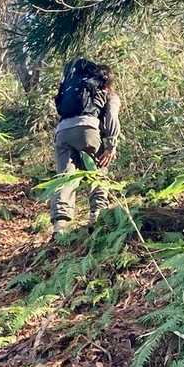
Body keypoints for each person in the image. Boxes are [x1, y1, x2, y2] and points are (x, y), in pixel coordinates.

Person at [49, 58, 120, 236]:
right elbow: (111, 117)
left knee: (65, 177)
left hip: (62, 132)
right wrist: (111, 145)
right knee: (98, 172)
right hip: (88, 130)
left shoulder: (75, 88)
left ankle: (60, 226)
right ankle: (97, 216)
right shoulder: (107, 92)